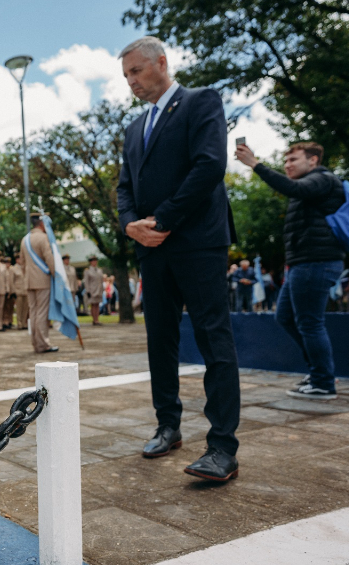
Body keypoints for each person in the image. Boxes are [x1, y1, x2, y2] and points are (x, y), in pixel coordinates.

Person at [116, 36, 241, 482]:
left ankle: (222, 447)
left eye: (136, 71)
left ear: (161, 63)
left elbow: (209, 166)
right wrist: (131, 223)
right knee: (160, 340)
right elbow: (125, 186)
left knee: (214, 340)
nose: (130, 81)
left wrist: (163, 219)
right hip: (153, 248)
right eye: (126, 75)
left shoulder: (200, 102)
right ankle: (168, 425)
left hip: (197, 241)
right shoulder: (133, 128)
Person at [235, 140, 346, 399]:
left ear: (313, 160)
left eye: (293, 160)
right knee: (285, 316)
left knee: (310, 322)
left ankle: (323, 382)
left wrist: (255, 164)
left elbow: (291, 188)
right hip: (303, 263)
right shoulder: (311, 184)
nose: (287, 165)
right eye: (285, 161)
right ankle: (320, 371)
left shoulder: (322, 179)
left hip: (316, 262)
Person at [24, 213, 59, 353]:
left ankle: (35, 343)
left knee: (33, 313)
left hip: (29, 281)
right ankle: (43, 344)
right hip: (42, 280)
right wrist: (56, 274)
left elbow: (22, 264)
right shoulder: (43, 238)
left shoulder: (24, 239)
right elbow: (49, 258)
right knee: (42, 313)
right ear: (42, 224)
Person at [82, 256, 104, 325]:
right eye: (93, 261)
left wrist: (102, 289)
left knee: (97, 304)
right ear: (90, 262)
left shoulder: (99, 270)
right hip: (92, 290)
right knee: (93, 305)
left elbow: (101, 280)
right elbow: (86, 282)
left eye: (95, 261)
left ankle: (97, 319)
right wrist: (88, 291)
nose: (95, 262)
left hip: (99, 290)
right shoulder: (87, 270)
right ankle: (94, 320)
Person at [13, 254, 30, 329]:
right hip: (18, 291)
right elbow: (12, 281)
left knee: (25, 308)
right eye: (19, 259)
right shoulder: (13, 268)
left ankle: (24, 323)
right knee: (19, 309)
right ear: (16, 260)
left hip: (25, 291)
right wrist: (13, 291)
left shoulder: (26, 268)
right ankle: (19, 323)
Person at [1, 256, 16, 329]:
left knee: (10, 307)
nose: (8, 264)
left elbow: (13, 281)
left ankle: (10, 321)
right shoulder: (2, 269)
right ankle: (4, 321)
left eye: (9, 262)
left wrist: (13, 291)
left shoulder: (12, 269)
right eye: (6, 262)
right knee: (4, 308)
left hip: (11, 291)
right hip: (4, 291)